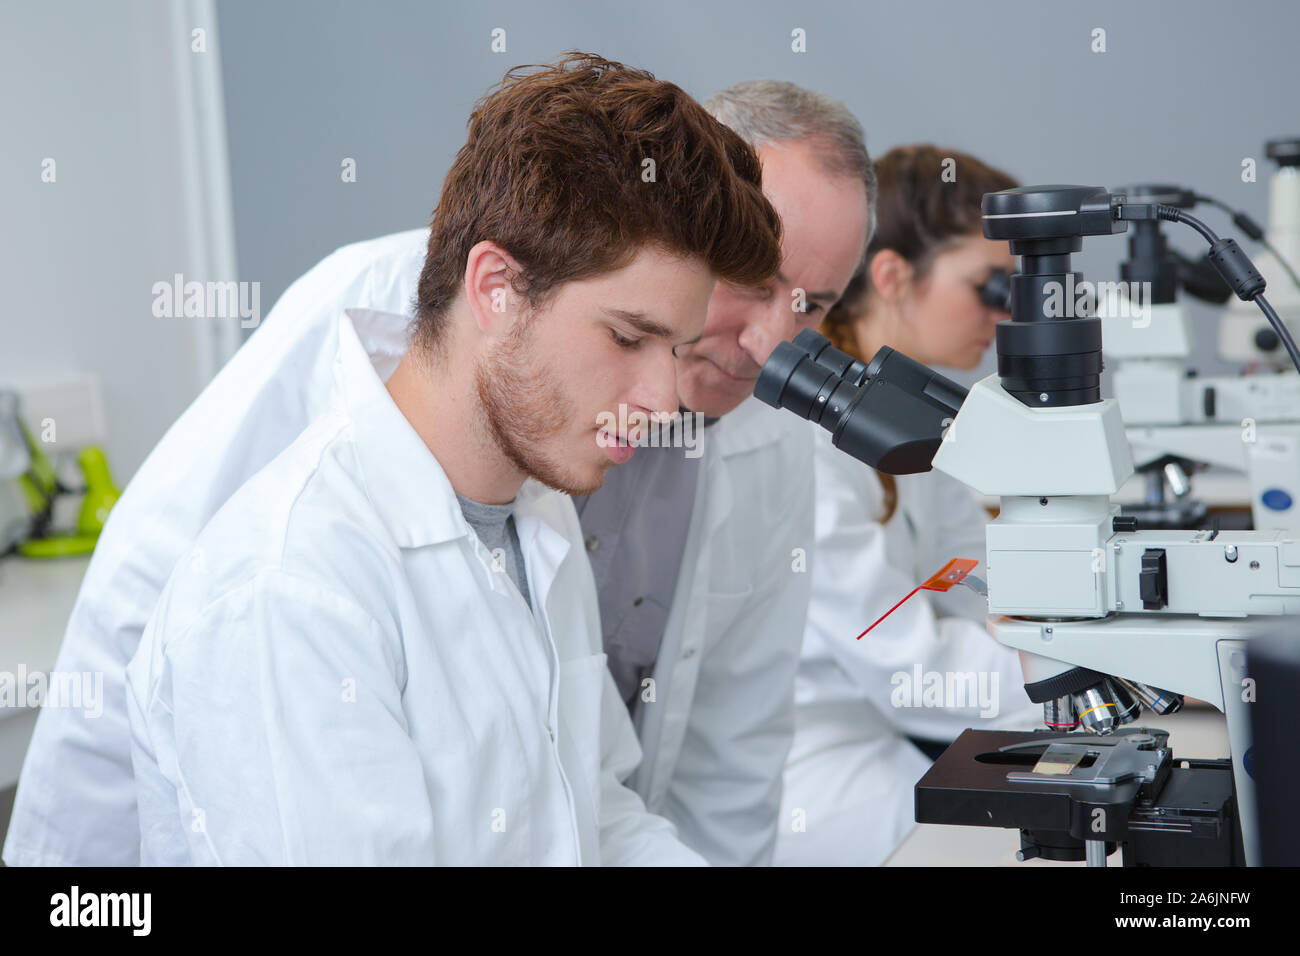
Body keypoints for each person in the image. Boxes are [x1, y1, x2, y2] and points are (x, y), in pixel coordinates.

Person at [6, 55, 785, 865]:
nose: (663, 402)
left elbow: (593, 808)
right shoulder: (296, 591)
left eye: (678, 349)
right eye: (627, 338)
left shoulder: (535, 514)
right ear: (495, 288)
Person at [774, 145, 1040, 867]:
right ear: (891, 276)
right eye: (989, 286)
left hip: (897, 733)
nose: (1005, 313)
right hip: (813, 770)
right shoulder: (808, 436)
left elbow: (969, 581)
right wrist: (1074, 685)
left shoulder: (913, 416)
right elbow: (904, 664)